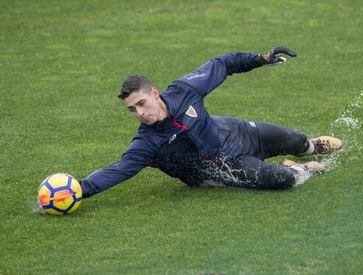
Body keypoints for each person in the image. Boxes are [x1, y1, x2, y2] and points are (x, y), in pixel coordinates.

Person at [79, 46, 342, 198]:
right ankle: (301, 169)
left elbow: (222, 64)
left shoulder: (184, 90)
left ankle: (309, 148)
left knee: (297, 139)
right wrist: (80, 189)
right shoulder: (147, 143)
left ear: (155, 93)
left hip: (236, 132)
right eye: (132, 110)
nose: (140, 113)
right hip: (226, 166)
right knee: (283, 180)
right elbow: (118, 170)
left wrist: (260, 59)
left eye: (141, 103)